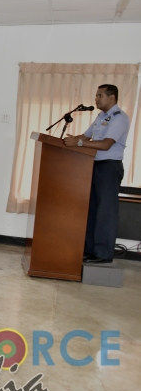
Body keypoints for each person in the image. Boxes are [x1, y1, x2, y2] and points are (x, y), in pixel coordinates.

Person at [64, 84, 129, 264]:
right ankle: (90, 250)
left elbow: (106, 144)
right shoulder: (101, 116)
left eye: (100, 96)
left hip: (109, 167)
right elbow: (85, 137)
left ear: (112, 97)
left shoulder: (119, 118)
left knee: (105, 211)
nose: (96, 99)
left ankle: (103, 254)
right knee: (92, 209)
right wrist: (69, 141)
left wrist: (77, 144)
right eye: (96, 95)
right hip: (94, 165)